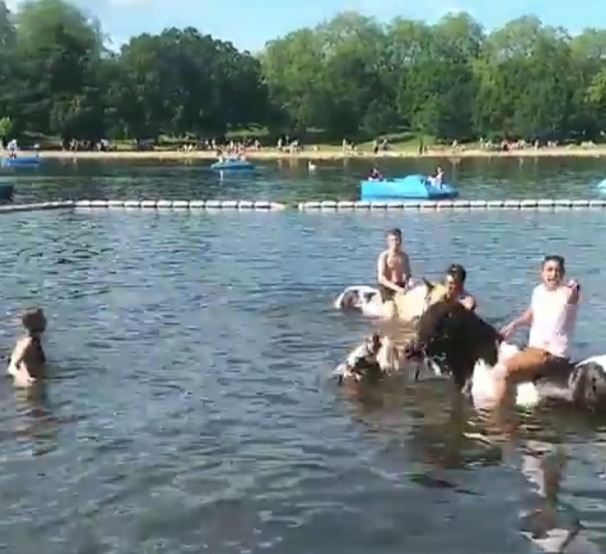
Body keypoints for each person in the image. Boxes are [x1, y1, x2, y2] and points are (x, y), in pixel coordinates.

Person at [495, 255, 580, 404]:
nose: (553, 274)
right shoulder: (538, 291)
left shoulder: (566, 294)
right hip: (534, 351)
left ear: (563, 274)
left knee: (503, 370)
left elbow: (573, 297)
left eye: (558, 271)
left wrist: (575, 288)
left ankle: (500, 421)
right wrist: (514, 324)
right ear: (541, 273)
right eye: (549, 270)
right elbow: (532, 314)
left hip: (551, 355)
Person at [7, 307, 47, 388]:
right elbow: (14, 365)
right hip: (32, 385)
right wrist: (24, 378)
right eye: (43, 318)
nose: (46, 320)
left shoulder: (24, 341)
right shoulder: (32, 342)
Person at [376, 228, 411, 303]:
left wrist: (408, 283)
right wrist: (398, 289)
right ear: (388, 242)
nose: (395, 243)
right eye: (392, 240)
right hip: (387, 288)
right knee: (391, 308)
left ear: (401, 241)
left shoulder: (404, 256)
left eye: (397, 240)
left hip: (401, 286)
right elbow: (381, 279)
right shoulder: (384, 256)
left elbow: (408, 275)